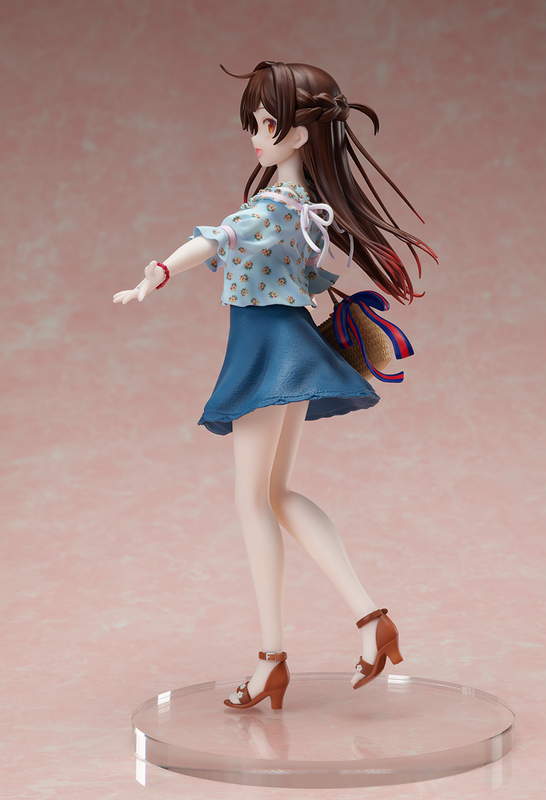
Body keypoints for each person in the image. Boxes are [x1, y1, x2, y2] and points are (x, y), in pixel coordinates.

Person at [113, 60, 438, 710]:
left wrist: (158, 273)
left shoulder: (272, 206)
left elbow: (215, 239)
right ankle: (369, 621)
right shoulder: (309, 207)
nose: (256, 136)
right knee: (275, 495)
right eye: (255, 123)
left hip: (265, 353)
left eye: (267, 123)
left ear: (299, 132)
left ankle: (271, 659)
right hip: (290, 347)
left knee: (253, 503)